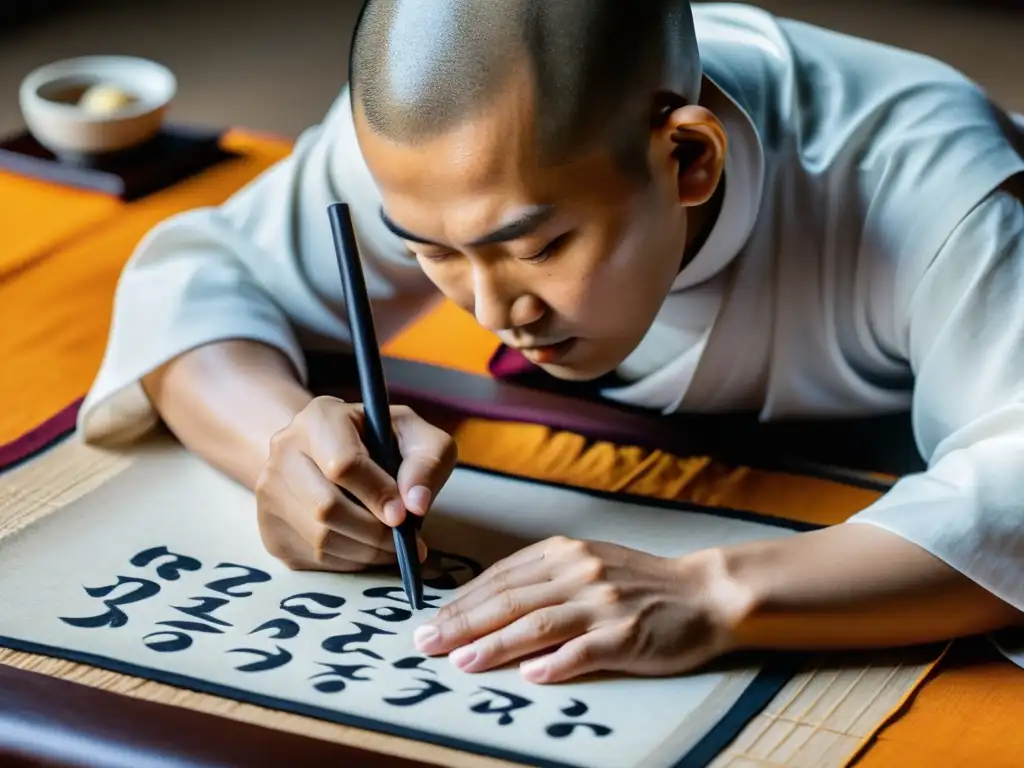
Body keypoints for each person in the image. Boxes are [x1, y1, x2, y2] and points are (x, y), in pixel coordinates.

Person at [79, 0, 1024, 684]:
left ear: (689, 157)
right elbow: (201, 281)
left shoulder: (930, 184)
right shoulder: (433, 151)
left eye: (538, 247)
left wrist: (714, 595)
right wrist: (287, 450)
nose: (494, 310)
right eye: (431, 254)